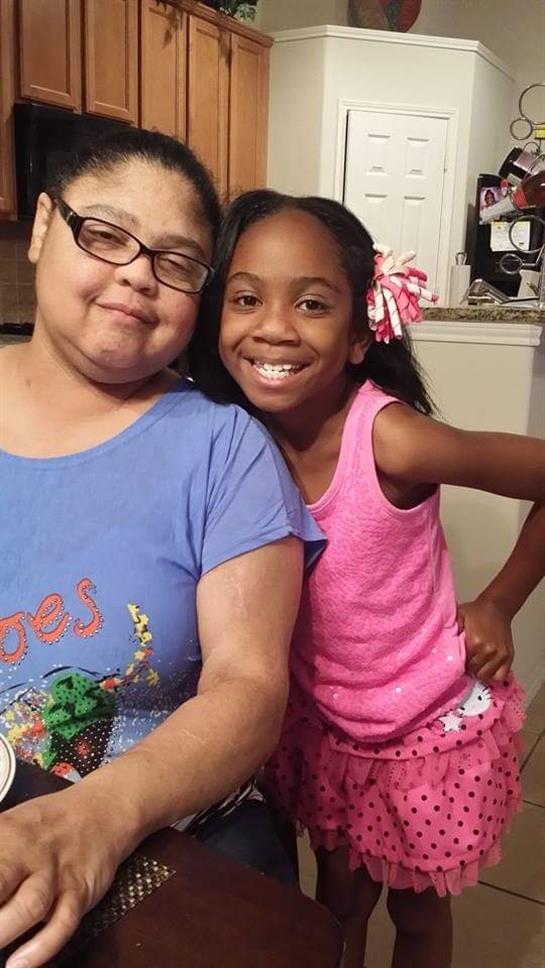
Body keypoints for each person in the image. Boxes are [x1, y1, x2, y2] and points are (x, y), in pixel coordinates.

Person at [188, 189, 545, 968]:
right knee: (336, 906)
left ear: (358, 335)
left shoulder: (391, 440)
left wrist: (497, 603)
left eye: (311, 303)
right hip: (325, 726)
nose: (273, 327)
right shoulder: (233, 436)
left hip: (421, 730)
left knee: (416, 914)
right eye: (246, 299)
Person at [0, 139, 325, 968]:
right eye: (106, 234)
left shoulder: (224, 449)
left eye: (175, 263)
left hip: (169, 846)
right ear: (44, 227)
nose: (139, 275)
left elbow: (249, 688)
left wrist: (94, 818)